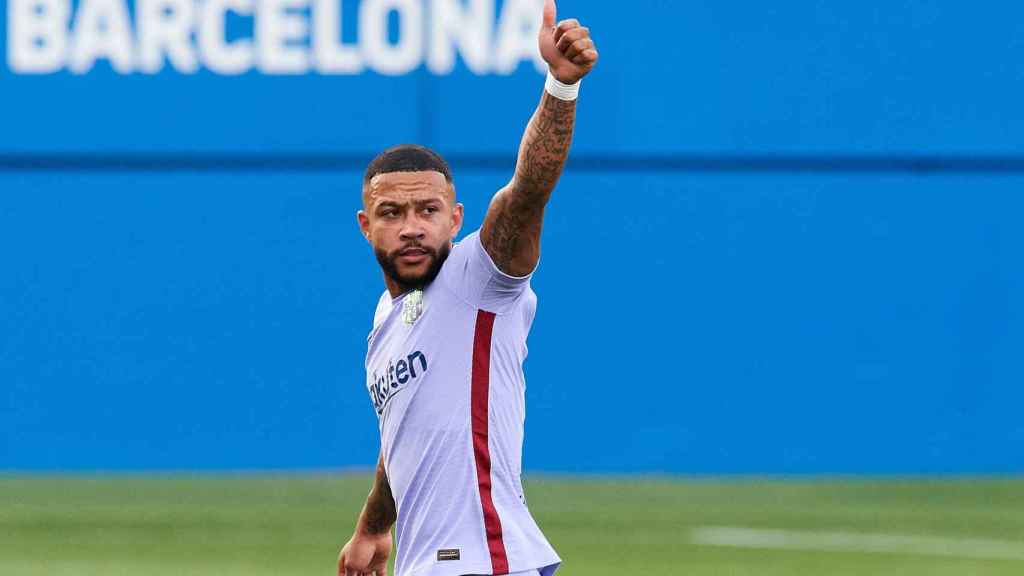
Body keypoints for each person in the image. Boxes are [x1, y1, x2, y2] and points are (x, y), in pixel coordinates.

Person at [338, 1, 598, 574]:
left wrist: (560, 87)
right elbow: (407, 436)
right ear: (365, 225)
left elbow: (527, 192)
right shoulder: (387, 319)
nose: (411, 226)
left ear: (456, 219)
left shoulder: (478, 279)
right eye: (391, 211)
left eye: (427, 209)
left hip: (488, 562)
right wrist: (373, 528)